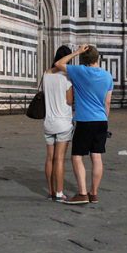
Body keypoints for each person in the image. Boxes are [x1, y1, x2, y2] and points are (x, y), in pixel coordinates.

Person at [56, 44, 114, 203]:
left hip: (84, 120)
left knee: (77, 157)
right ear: (98, 58)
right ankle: (93, 193)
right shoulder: (108, 76)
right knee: (96, 157)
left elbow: (58, 64)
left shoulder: (79, 71)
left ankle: (82, 194)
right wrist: (105, 119)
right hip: (101, 121)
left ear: (83, 59)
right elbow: (107, 102)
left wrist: (76, 52)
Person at [42, 46, 74, 203]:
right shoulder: (67, 77)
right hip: (63, 123)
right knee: (59, 159)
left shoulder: (46, 74)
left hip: (48, 122)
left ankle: (51, 191)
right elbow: (69, 101)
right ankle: (60, 194)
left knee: (49, 158)